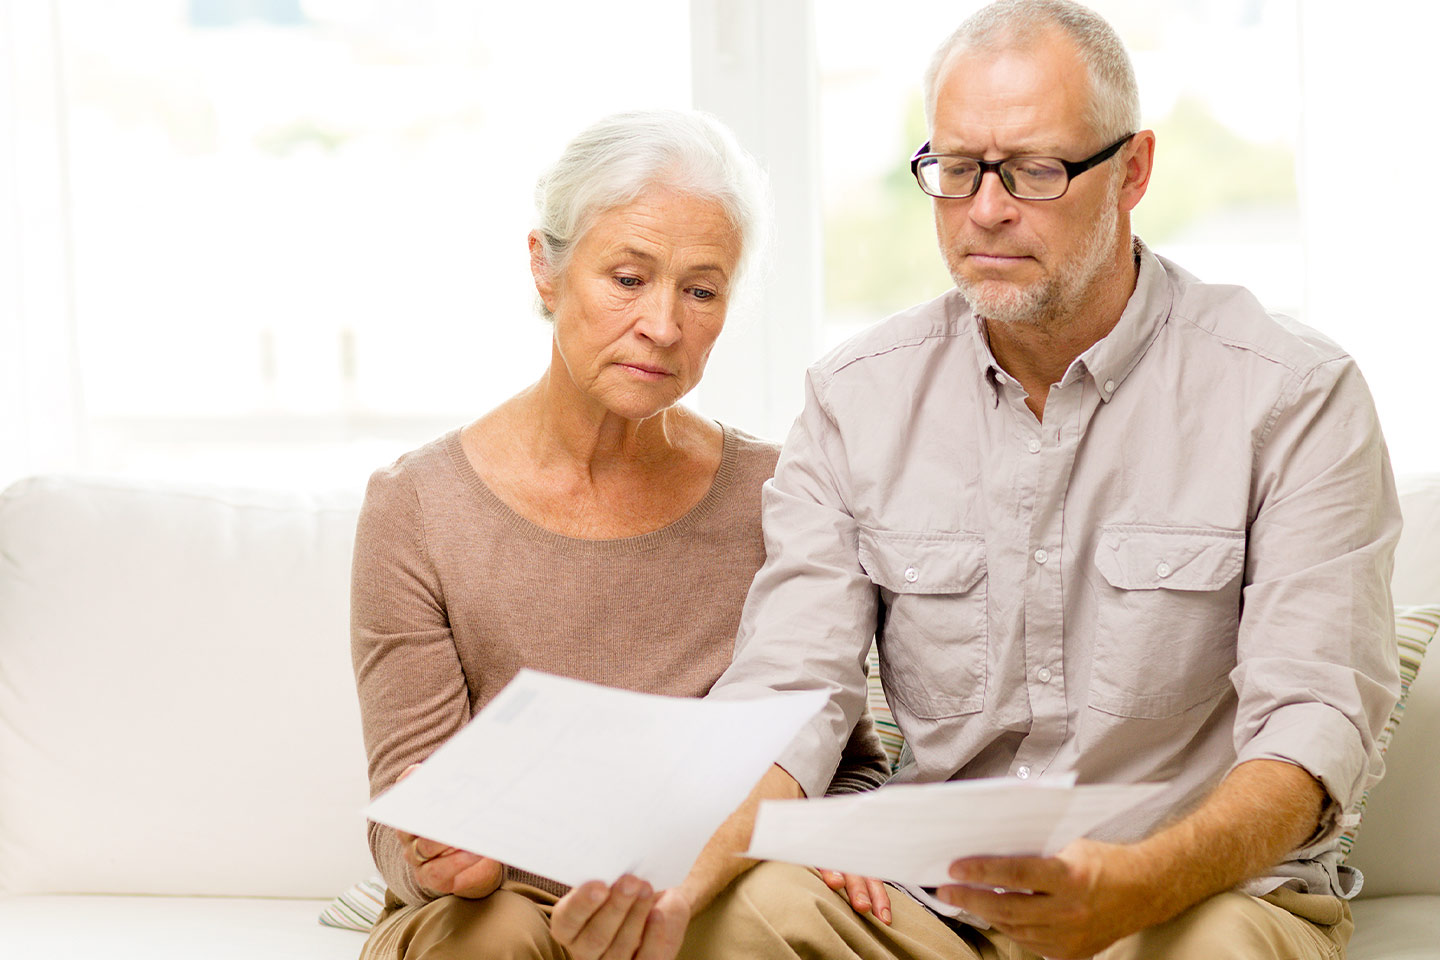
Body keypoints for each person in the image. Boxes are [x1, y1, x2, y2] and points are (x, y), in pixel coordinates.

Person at [691, 2, 1403, 958]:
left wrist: (1147, 881)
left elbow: (1312, 721)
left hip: (1190, 891)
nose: (987, 209)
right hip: (936, 900)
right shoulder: (852, 401)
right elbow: (791, 692)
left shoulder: (1294, 394)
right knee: (741, 911)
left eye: (1035, 169)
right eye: (954, 170)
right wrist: (693, 864)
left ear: (1133, 170)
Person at [349, 109, 889, 960]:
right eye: (628, 279)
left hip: (699, 896)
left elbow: (839, 756)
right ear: (545, 269)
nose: (664, 325)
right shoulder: (416, 505)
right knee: (485, 936)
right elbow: (401, 809)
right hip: (498, 902)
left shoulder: (777, 490)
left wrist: (836, 836)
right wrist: (433, 855)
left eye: (702, 290)